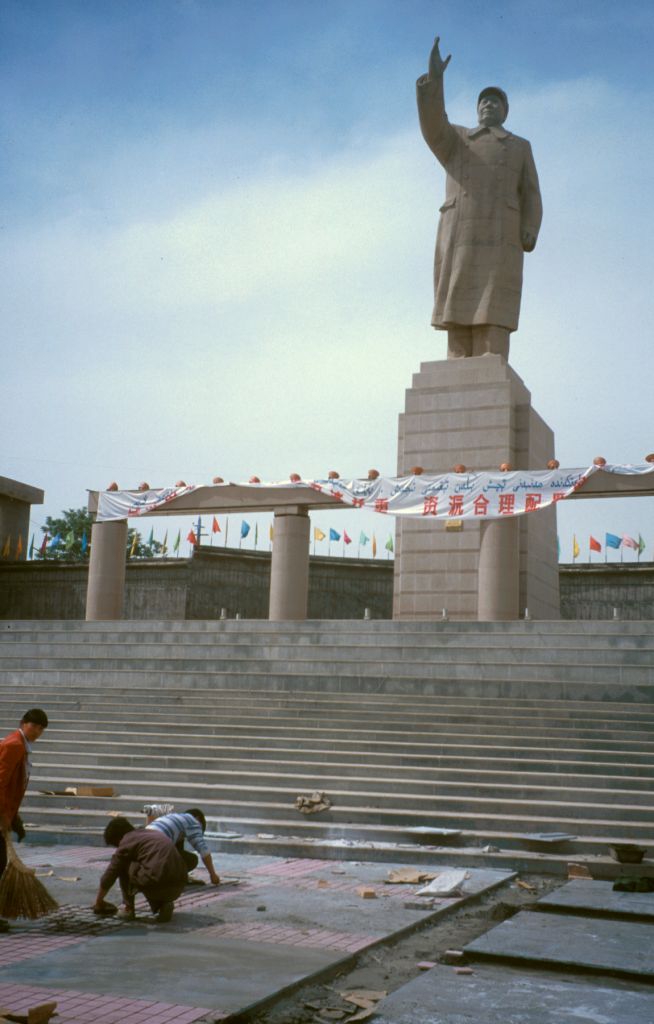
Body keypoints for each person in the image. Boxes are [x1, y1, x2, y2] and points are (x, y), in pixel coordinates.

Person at [417, 36, 542, 361]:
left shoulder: (519, 146)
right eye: (483, 102)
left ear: (505, 111)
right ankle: (457, 360)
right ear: (476, 110)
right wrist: (434, 81)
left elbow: (530, 190)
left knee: (495, 295)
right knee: (457, 292)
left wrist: (530, 225)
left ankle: (491, 357)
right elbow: (433, 126)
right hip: (461, 232)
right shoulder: (457, 140)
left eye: (496, 102)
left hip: (502, 233)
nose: (489, 105)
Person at [93, 816, 187, 923]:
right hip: (179, 884)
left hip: (158, 883)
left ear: (118, 838)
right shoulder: (151, 833)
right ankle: (163, 904)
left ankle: (128, 909)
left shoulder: (127, 841)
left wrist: (99, 902)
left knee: (123, 865)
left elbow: (110, 874)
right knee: (148, 869)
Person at [145, 808, 220, 886]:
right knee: (192, 860)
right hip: (157, 848)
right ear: (198, 819)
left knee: (178, 846)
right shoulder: (193, 822)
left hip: (144, 844)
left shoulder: (172, 819)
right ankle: (170, 879)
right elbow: (204, 851)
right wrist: (213, 875)